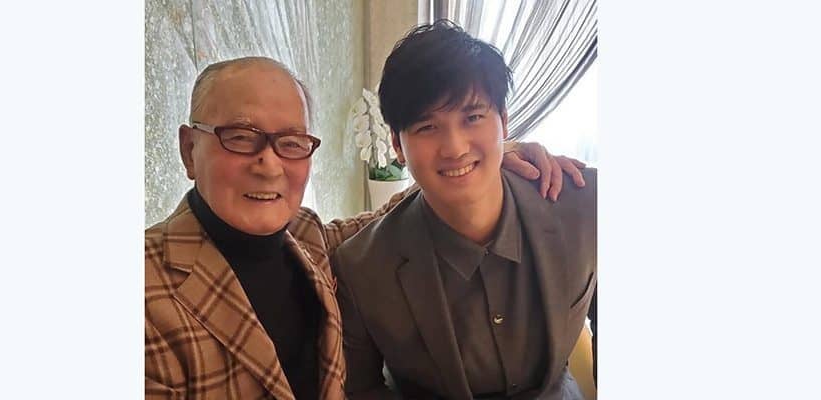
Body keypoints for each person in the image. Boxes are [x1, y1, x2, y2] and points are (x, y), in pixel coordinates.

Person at [145, 56, 585, 400]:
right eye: (240, 137)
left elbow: (403, 212)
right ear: (189, 149)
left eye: (291, 143)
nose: (269, 164)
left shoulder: (308, 238)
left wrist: (486, 157)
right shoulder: (144, 292)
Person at [332, 20, 597, 399]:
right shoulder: (361, 268)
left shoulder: (584, 203)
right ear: (397, 146)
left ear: (504, 121)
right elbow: (362, 390)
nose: (455, 148)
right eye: (427, 127)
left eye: (472, 117)